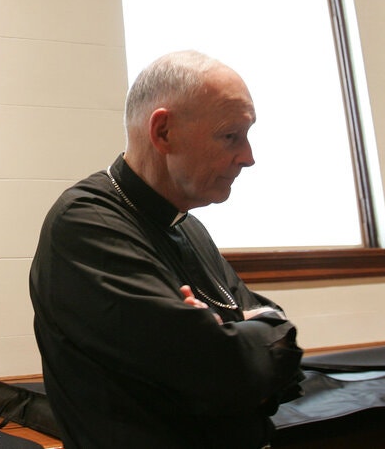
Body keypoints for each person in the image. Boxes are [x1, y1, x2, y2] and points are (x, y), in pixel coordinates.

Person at [29, 50, 303, 449]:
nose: (248, 157)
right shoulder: (86, 224)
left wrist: (245, 334)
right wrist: (244, 336)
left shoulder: (190, 227)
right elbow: (222, 373)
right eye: (231, 136)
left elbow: (281, 354)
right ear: (164, 133)